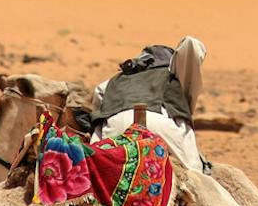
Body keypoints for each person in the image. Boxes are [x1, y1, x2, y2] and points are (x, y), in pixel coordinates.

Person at [81, 36, 209, 172]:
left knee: (97, 168)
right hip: (158, 123)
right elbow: (192, 45)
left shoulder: (116, 79)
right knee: (194, 172)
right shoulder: (173, 73)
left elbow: (99, 97)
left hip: (116, 124)